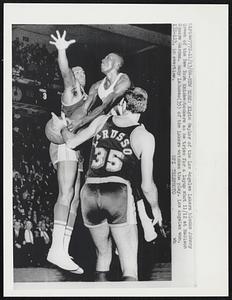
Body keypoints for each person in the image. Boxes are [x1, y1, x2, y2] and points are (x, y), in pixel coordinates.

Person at [65, 87, 162, 281]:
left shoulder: (102, 121)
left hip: (90, 191)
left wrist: (61, 127)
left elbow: (71, 143)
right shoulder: (144, 137)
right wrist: (155, 208)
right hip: (117, 192)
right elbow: (146, 186)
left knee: (102, 255)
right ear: (143, 108)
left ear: (124, 104)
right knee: (129, 267)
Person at [46, 30, 87, 273]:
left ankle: (63, 248)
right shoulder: (71, 91)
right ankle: (55, 248)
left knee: (75, 199)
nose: (78, 73)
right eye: (76, 71)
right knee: (66, 193)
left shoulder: (84, 98)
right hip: (63, 143)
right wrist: (62, 51)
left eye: (82, 71)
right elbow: (65, 72)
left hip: (75, 146)